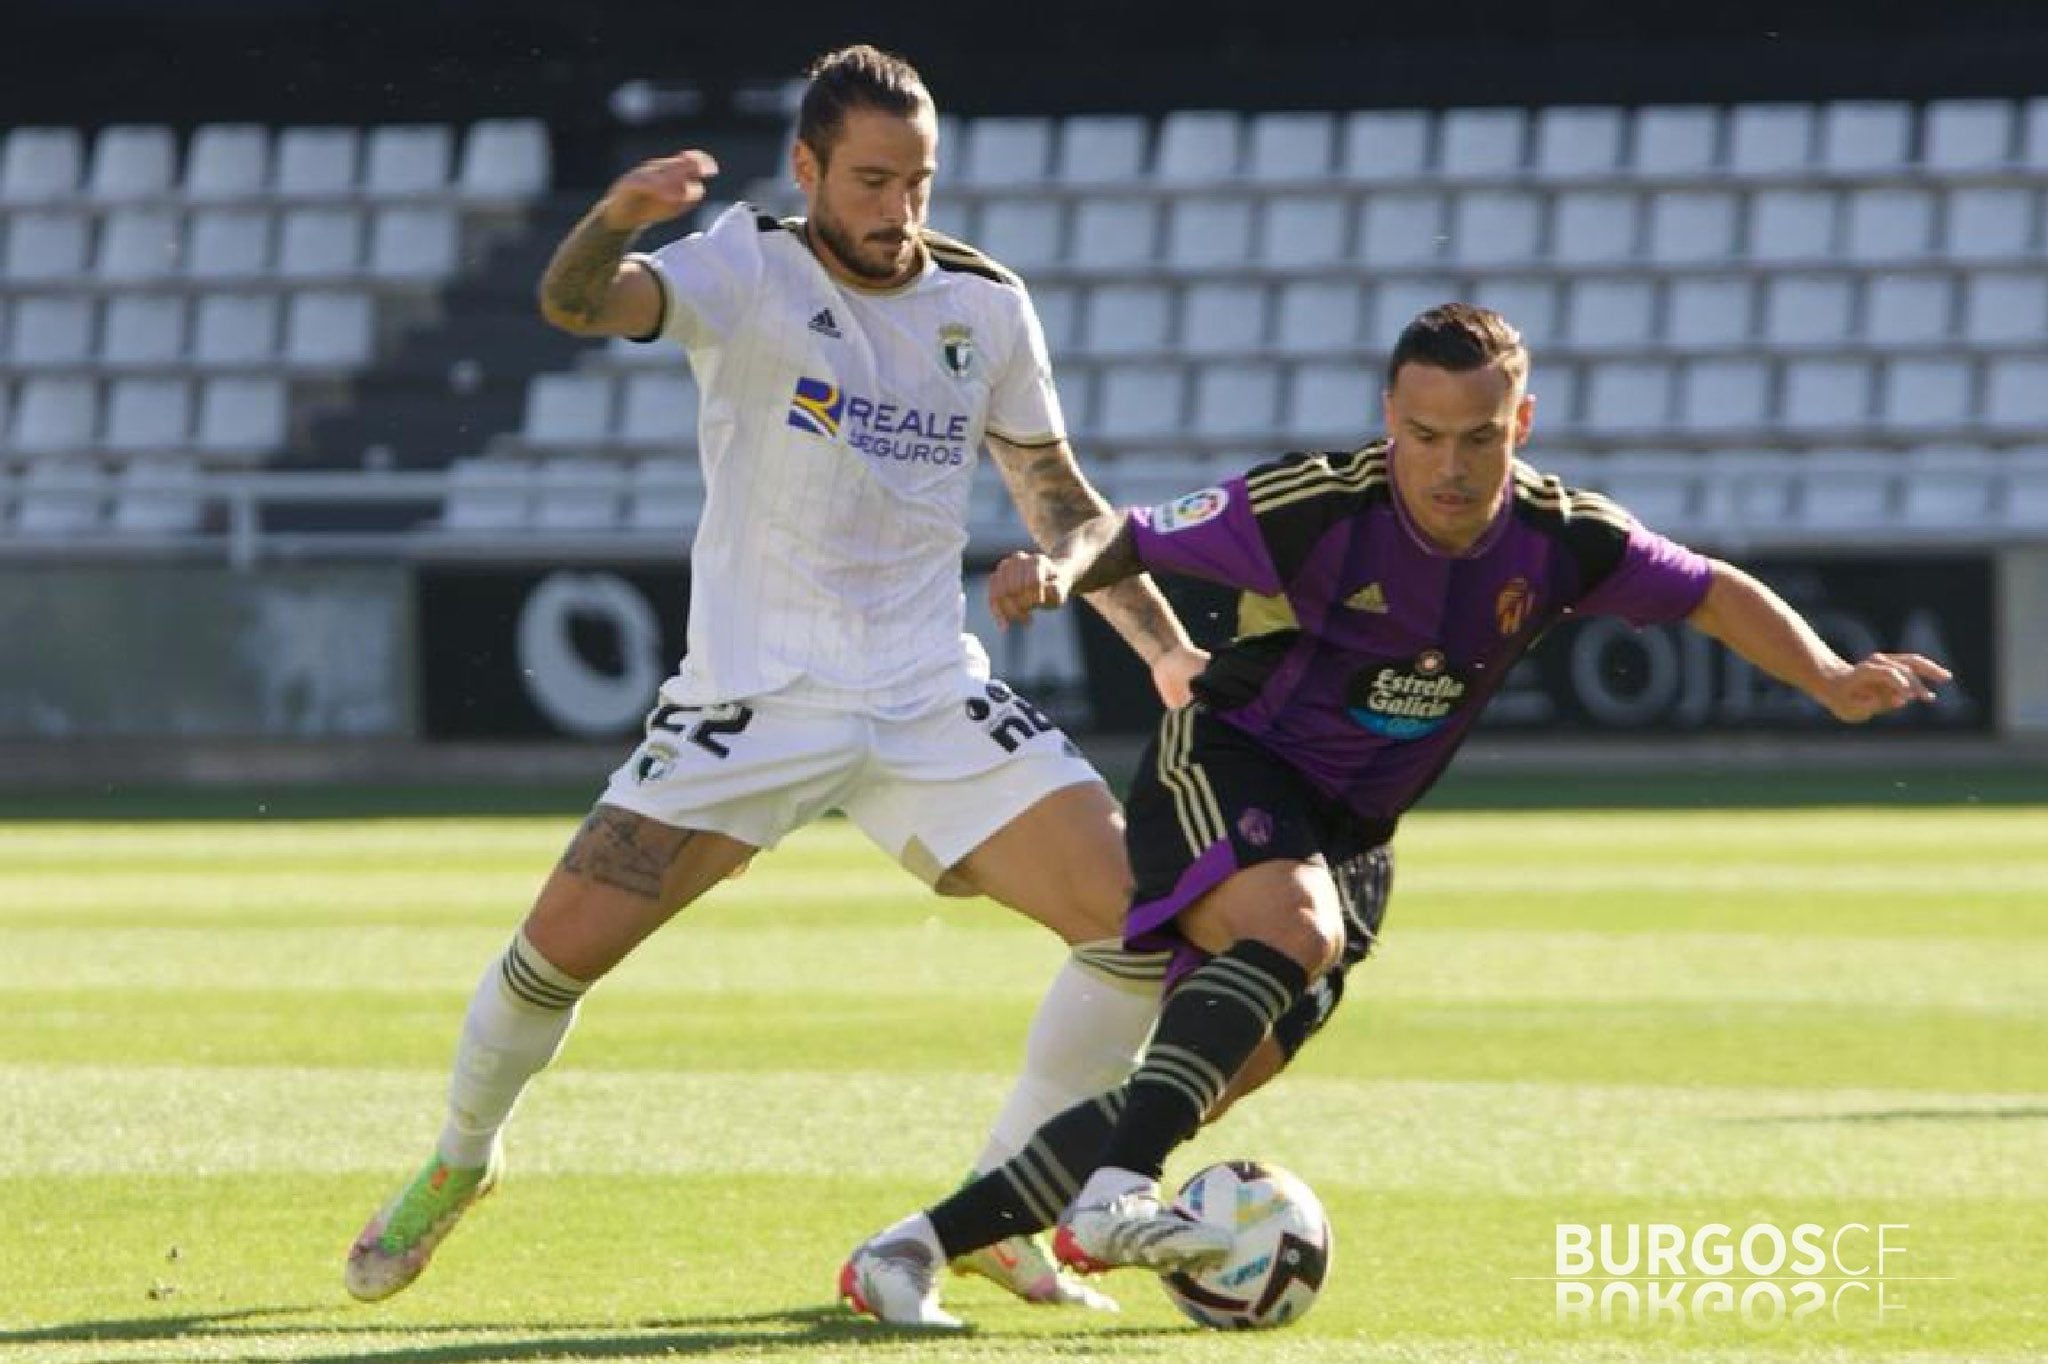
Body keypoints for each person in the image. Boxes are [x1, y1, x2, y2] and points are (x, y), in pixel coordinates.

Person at [839, 301, 1953, 1328]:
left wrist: (1826, 677)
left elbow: (1704, 585)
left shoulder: (1561, 538)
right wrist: (1056, 567)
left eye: (1477, 437)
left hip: (1353, 837)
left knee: (1188, 1090)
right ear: (1389, 419)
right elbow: (1125, 532)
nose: (1449, 465)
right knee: (1292, 929)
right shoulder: (1318, 504)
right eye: (1423, 434)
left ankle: (912, 1245)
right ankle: (1110, 1202)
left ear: (1519, 421)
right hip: (1229, 759)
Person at [343, 43, 1208, 1310]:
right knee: (549, 960)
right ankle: (460, 1161)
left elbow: (1055, 495)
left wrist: (1165, 646)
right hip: (747, 703)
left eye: (915, 181)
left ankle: (999, 1205)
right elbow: (581, 305)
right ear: (805, 170)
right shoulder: (743, 265)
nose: (895, 210)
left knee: (1140, 927)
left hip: (926, 694)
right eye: (867, 180)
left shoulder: (983, 305)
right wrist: (612, 223)